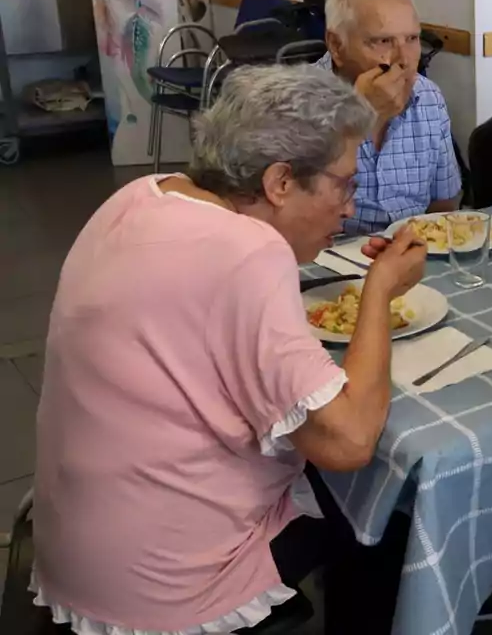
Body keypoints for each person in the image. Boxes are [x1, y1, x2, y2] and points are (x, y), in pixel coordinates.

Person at [31, 65, 429, 633]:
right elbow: (349, 440)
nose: (349, 208)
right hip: (159, 584)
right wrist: (380, 292)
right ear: (280, 183)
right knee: (383, 512)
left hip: (76, 550)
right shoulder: (249, 251)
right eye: (344, 184)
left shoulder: (140, 195)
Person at [318, 0, 461, 235]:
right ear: (336, 46)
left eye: (412, 39)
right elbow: (291, 221)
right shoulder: (294, 106)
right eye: (383, 41)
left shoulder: (428, 97)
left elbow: (443, 205)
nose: (404, 59)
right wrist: (360, 115)